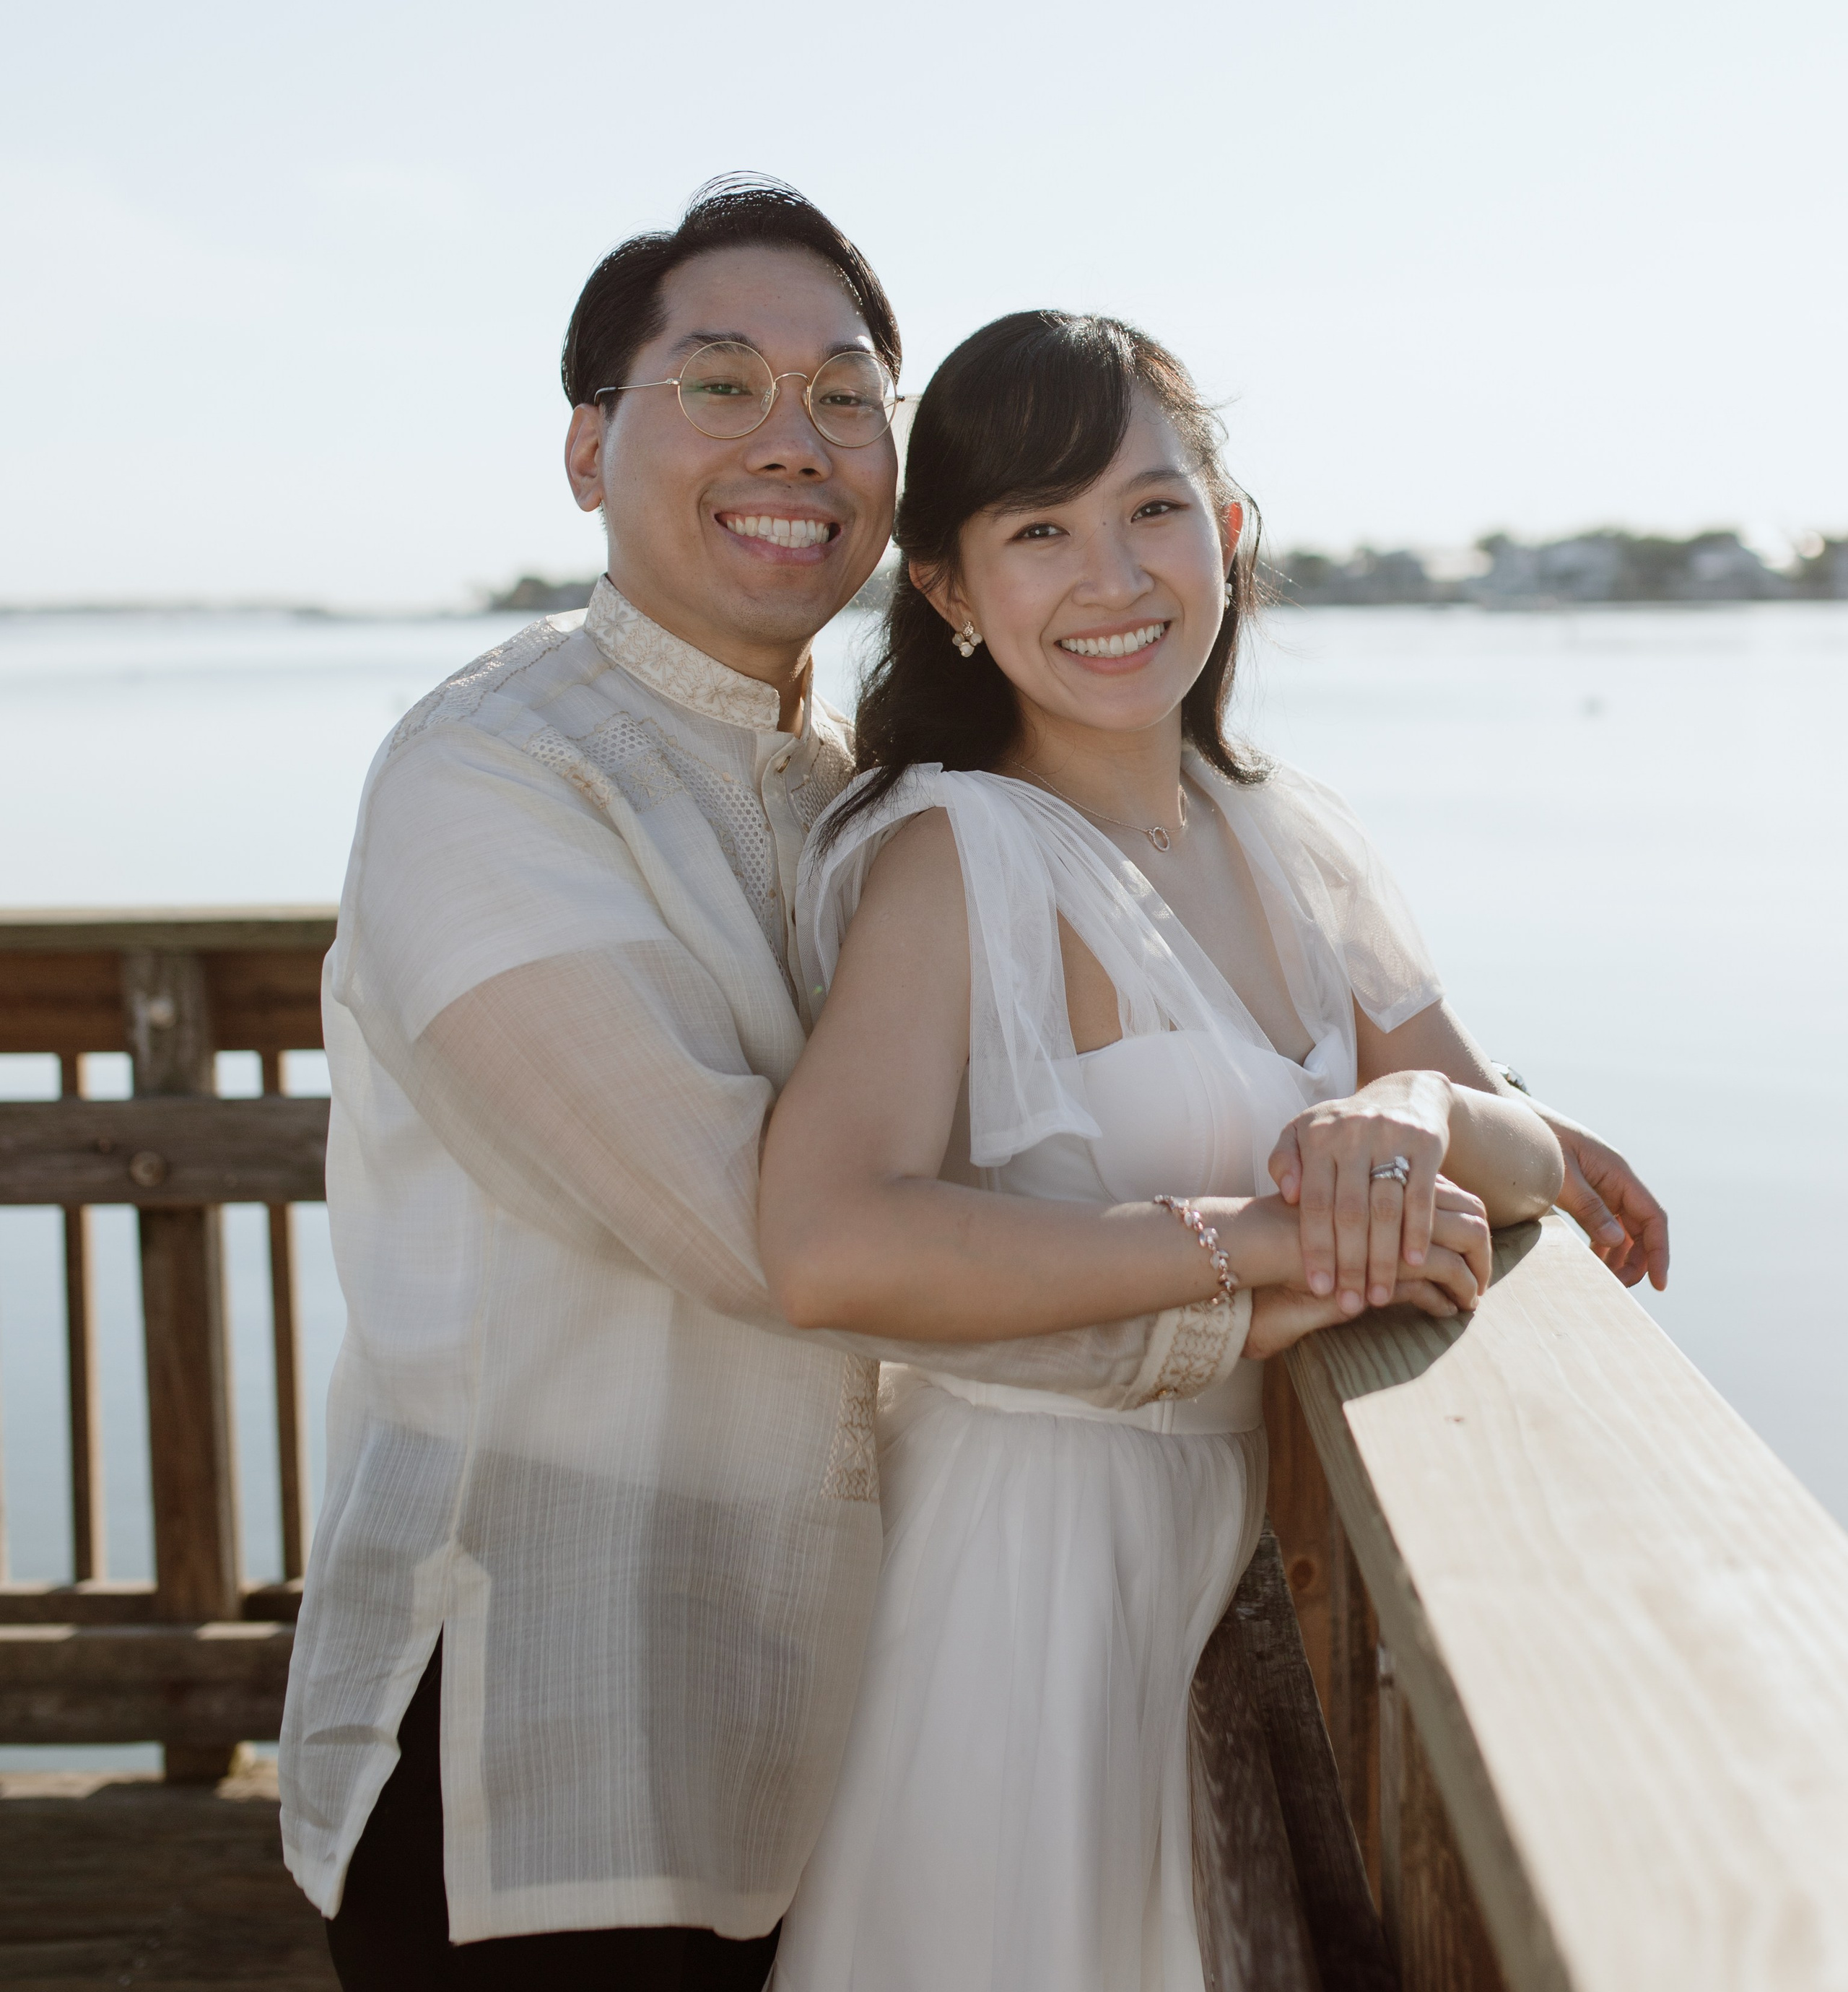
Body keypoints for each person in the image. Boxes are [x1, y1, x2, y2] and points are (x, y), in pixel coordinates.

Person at [279, 175, 1665, 1988]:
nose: (792, 437)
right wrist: (1271, 1262)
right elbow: (779, 1247)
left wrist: (1427, 1131)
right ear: (584, 444)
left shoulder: (850, 782)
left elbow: (1402, 1093)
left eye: (844, 393)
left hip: (842, 1666)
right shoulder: (494, 783)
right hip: (553, 1704)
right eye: (717, 384)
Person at [757, 311, 1567, 1991]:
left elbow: (1527, 1154)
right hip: (1024, 1577)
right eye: (1036, 533)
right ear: (950, 595)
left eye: (1148, 509)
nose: (1110, 577)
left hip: (1223, 1549)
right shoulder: (958, 852)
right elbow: (828, 1241)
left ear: (1228, 529)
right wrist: (1259, 1242)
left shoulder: (1277, 833)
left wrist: (1405, 1114)